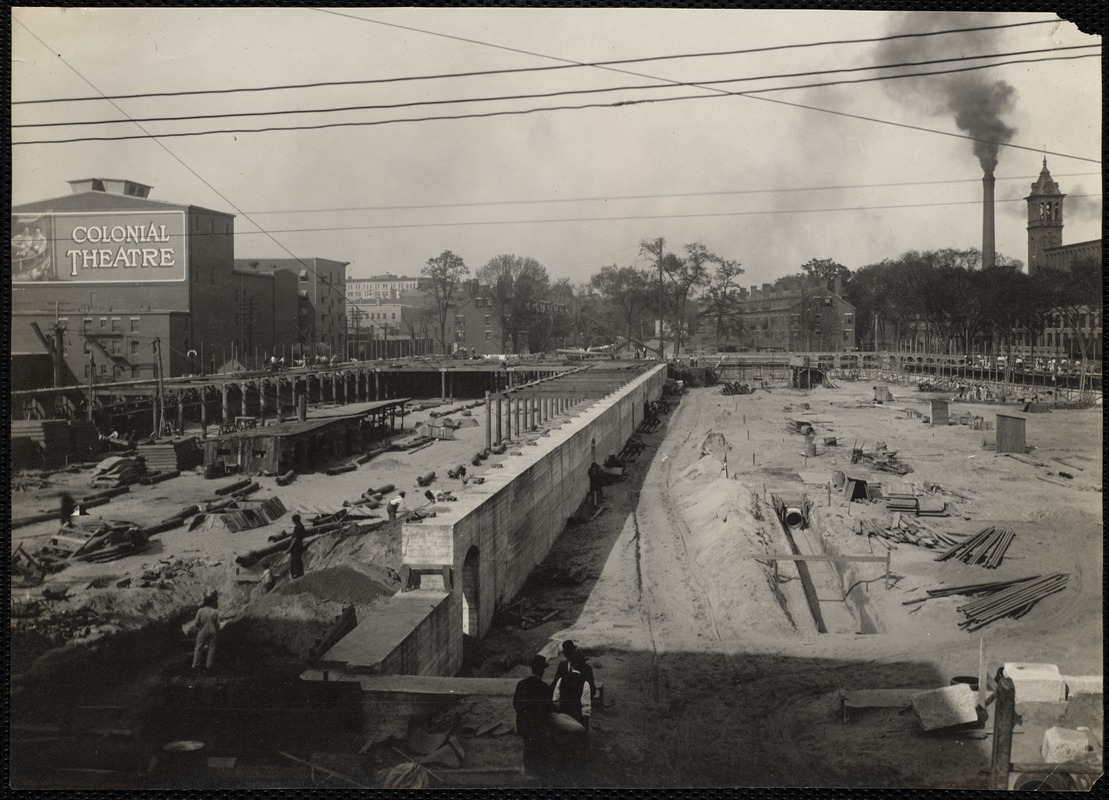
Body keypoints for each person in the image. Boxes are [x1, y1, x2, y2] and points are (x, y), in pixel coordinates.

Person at [513, 655, 555, 776]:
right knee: (539, 747)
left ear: (532, 669)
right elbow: (549, 709)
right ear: (542, 671)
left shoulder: (521, 684)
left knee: (527, 746)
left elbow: (516, 705)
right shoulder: (545, 688)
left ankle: (527, 769)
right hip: (538, 727)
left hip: (523, 725)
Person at [552, 651, 592, 730]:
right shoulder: (585, 683)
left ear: (571, 666)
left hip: (563, 716)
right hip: (577, 719)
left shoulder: (561, 680)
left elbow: (555, 700)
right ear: (582, 667)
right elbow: (586, 706)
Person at [192, 593, 220, 672]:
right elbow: (218, 625)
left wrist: (199, 628)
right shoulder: (215, 611)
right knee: (211, 648)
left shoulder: (200, 611)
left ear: (204, 603)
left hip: (202, 631)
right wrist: (216, 630)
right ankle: (209, 666)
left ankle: (195, 665)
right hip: (213, 631)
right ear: (211, 603)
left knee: (198, 648)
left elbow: (196, 623)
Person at [287, 514, 307, 579]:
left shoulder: (298, 528)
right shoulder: (301, 526)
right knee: (297, 560)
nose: (292, 521)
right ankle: (299, 573)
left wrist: (289, 548)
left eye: (293, 520)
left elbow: (295, 539)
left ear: (295, 520)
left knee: (295, 560)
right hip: (299, 545)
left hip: (296, 546)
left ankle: (296, 574)